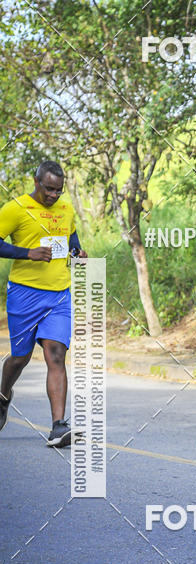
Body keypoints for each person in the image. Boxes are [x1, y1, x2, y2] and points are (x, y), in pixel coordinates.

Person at [0, 160, 87, 447]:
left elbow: (71, 238)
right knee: (20, 358)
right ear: (36, 182)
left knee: (56, 354)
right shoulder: (15, 208)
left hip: (59, 294)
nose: (53, 195)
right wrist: (28, 253)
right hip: (24, 294)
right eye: (49, 189)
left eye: (58, 191)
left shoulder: (66, 208)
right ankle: (3, 394)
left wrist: (77, 253)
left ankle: (58, 427)